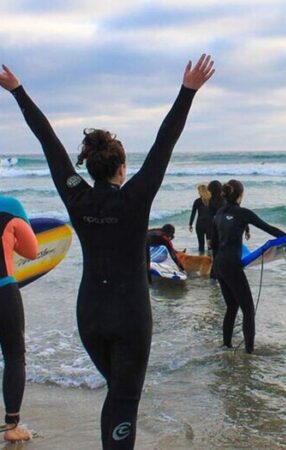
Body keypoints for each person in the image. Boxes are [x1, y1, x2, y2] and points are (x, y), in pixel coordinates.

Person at [0, 56, 214, 449]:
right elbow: (164, 143)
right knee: (124, 398)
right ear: (122, 169)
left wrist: (18, 92)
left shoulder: (76, 195)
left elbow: (48, 143)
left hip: (90, 317)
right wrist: (187, 91)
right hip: (131, 316)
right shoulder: (136, 197)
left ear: (92, 166)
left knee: (118, 394)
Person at [212, 180, 286, 353]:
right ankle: (249, 352)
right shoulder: (242, 213)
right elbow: (268, 228)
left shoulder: (218, 213)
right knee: (248, 309)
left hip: (219, 264)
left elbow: (214, 243)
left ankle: (226, 345)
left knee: (231, 306)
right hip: (231, 264)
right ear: (240, 195)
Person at [0, 196, 37, 442]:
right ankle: (12, 426)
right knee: (14, 355)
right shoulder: (9, 207)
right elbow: (32, 251)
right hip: (3, 291)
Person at [188, 184, 211, 254]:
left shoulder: (197, 201)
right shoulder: (212, 201)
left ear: (200, 191)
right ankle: (210, 261)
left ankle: (201, 260)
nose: (198, 193)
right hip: (210, 225)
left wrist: (190, 224)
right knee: (210, 245)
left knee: (201, 245)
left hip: (200, 225)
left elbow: (193, 213)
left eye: (198, 191)